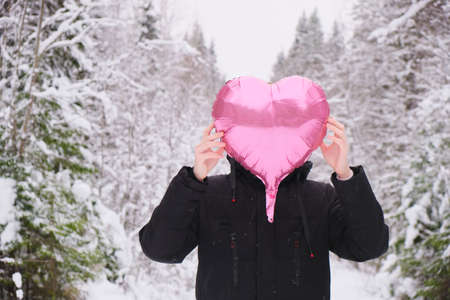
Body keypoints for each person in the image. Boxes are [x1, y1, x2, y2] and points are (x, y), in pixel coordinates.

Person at [139, 116, 389, 300]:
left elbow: (369, 245)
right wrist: (194, 178)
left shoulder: (319, 197)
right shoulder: (208, 194)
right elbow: (160, 249)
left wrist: (345, 174)